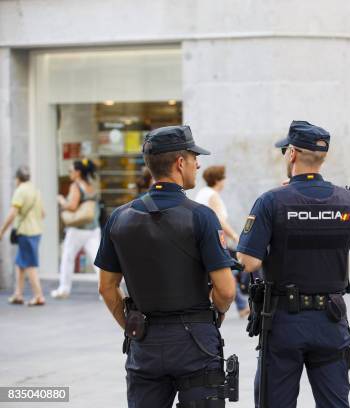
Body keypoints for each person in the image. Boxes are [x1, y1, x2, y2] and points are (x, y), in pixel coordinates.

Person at [95, 125, 237, 407]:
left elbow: (106, 287)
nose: (198, 164)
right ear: (180, 163)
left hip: (145, 344)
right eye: (194, 158)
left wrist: (133, 328)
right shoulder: (202, 217)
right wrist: (211, 319)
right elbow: (226, 290)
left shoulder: (119, 218)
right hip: (195, 344)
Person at [237, 120, 350, 408]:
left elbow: (248, 261)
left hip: (285, 321)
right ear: (323, 157)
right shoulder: (347, 199)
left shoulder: (271, 201)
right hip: (332, 320)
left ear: (292, 153)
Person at [195, 165, 249, 318]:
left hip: (203, 239)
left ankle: (241, 305)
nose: (225, 181)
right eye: (224, 178)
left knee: (225, 271)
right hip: (216, 239)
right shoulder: (213, 195)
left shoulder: (202, 193)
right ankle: (239, 305)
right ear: (218, 180)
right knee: (228, 270)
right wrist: (234, 236)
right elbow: (219, 220)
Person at [51, 158, 101, 299]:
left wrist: (61, 201)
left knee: (67, 258)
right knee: (97, 261)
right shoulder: (90, 185)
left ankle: (64, 289)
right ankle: (106, 290)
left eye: (71, 171)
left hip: (78, 229)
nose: (69, 173)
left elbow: (72, 206)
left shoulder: (75, 186)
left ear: (78, 172)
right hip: (93, 228)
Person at [0, 165, 45, 306]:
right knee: (20, 264)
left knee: (30, 264)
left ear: (18, 178)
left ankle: (39, 296)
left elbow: (12, 213)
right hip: (36, 231)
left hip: (25, 232)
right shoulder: (35, 190)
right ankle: (18, 294)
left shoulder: (20, 191)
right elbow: (43, 213)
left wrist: (2, 230)